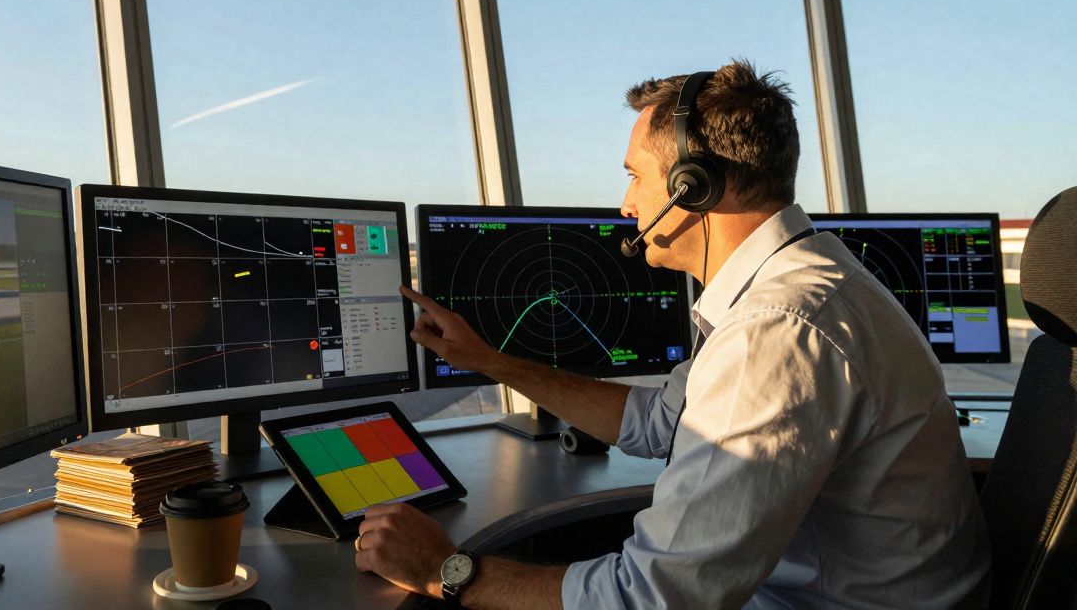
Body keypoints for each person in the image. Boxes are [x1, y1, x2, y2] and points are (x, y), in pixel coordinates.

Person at [354, 60, 991, 608]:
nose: (625, 204)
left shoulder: (776, 331)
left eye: (635, 175)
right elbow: (660, 420)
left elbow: (654, 599)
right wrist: (494, 363)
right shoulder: (802, 280)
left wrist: (446, 571)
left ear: (692, 186)